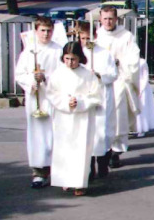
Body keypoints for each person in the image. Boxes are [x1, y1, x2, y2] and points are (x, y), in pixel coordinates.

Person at [47, 42, 101, 196]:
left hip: (82, 118)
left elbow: (96, 96)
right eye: (67, 59)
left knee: (80, 149)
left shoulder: (88, 75)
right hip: (64, 116)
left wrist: (80, 102)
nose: (70, 63)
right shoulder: (58, 74)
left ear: (80, 58)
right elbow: (52, 93)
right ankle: (65, 179)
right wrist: (65, 102)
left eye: (74, 59)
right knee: (64, 148)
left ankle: (79, 183)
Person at [16, 17, 62, 189]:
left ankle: (55, 169)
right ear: (36, 31)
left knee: (55, 133)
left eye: (49, 30)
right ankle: (38, 172)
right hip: (36, 98)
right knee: (37, 135)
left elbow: (64, 74)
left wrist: (46, 78)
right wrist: (32, 80)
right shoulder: (29, 52)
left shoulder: (58, 51)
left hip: (53, 99)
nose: (46, 34)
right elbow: (19, 74)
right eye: (42, 30)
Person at [94, 5, 141, 169]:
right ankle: (101, 148)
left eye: (111, 18)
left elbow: (134, 59)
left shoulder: (126, 36)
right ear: (100, 18)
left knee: (119, 113)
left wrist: (118, 62)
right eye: (105, 18)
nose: (108, 21)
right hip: (99, 80)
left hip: (119, 78)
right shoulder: (95, 36)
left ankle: (116, 150)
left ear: (117, 19)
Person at [71, 22, 116, 179]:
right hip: (85, 98)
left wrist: (98, 75)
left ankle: (103, 164)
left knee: (102, 132)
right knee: (87, 132)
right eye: (82, 38)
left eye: (89, 38)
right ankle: (88, 168)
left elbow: (113, 74)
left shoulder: (104, 53)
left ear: (95, 37)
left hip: (102, 97)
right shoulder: (77, 54)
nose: (86, 42)